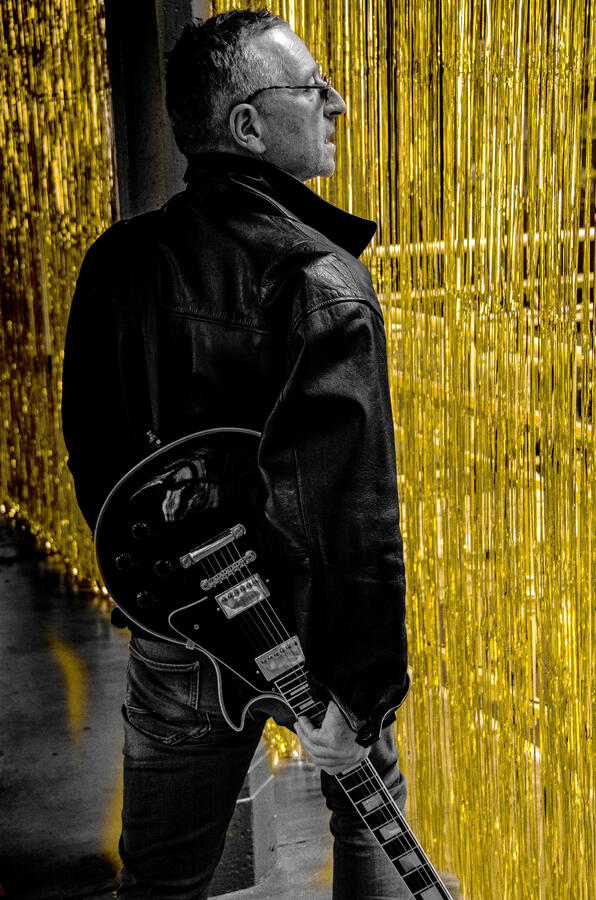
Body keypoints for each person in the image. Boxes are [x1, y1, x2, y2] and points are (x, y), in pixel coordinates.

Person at [62, 9, 409, 899]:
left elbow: (100, 466)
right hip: (307, 637)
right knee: (370, 822)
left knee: (162, 880)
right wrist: (355, 698)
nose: (336, 101)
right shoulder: (319, 282)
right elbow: (347, 518)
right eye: (311, 87)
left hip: (177, 638)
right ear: (248, 127)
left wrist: (166, 601)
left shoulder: (117, 263)